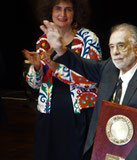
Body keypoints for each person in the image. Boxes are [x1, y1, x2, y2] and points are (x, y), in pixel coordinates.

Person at [40, 21, 137, 159]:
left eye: (121, 46)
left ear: (136, 48)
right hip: (104, 151)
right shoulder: (109, 68)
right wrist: (60, 49)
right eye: (111, 47)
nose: (115, 52)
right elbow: (82, 65)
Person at [22, 0, 102, 159]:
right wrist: (37, 68)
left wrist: (57, 69)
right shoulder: (43, 41)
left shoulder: (88, 38)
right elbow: (36, 85)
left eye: (68, 9)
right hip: (49, 112)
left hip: (80, 113)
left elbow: (92, 78)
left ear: (76, 12)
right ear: (50, 12)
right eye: (58, 8)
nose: (62, 14)